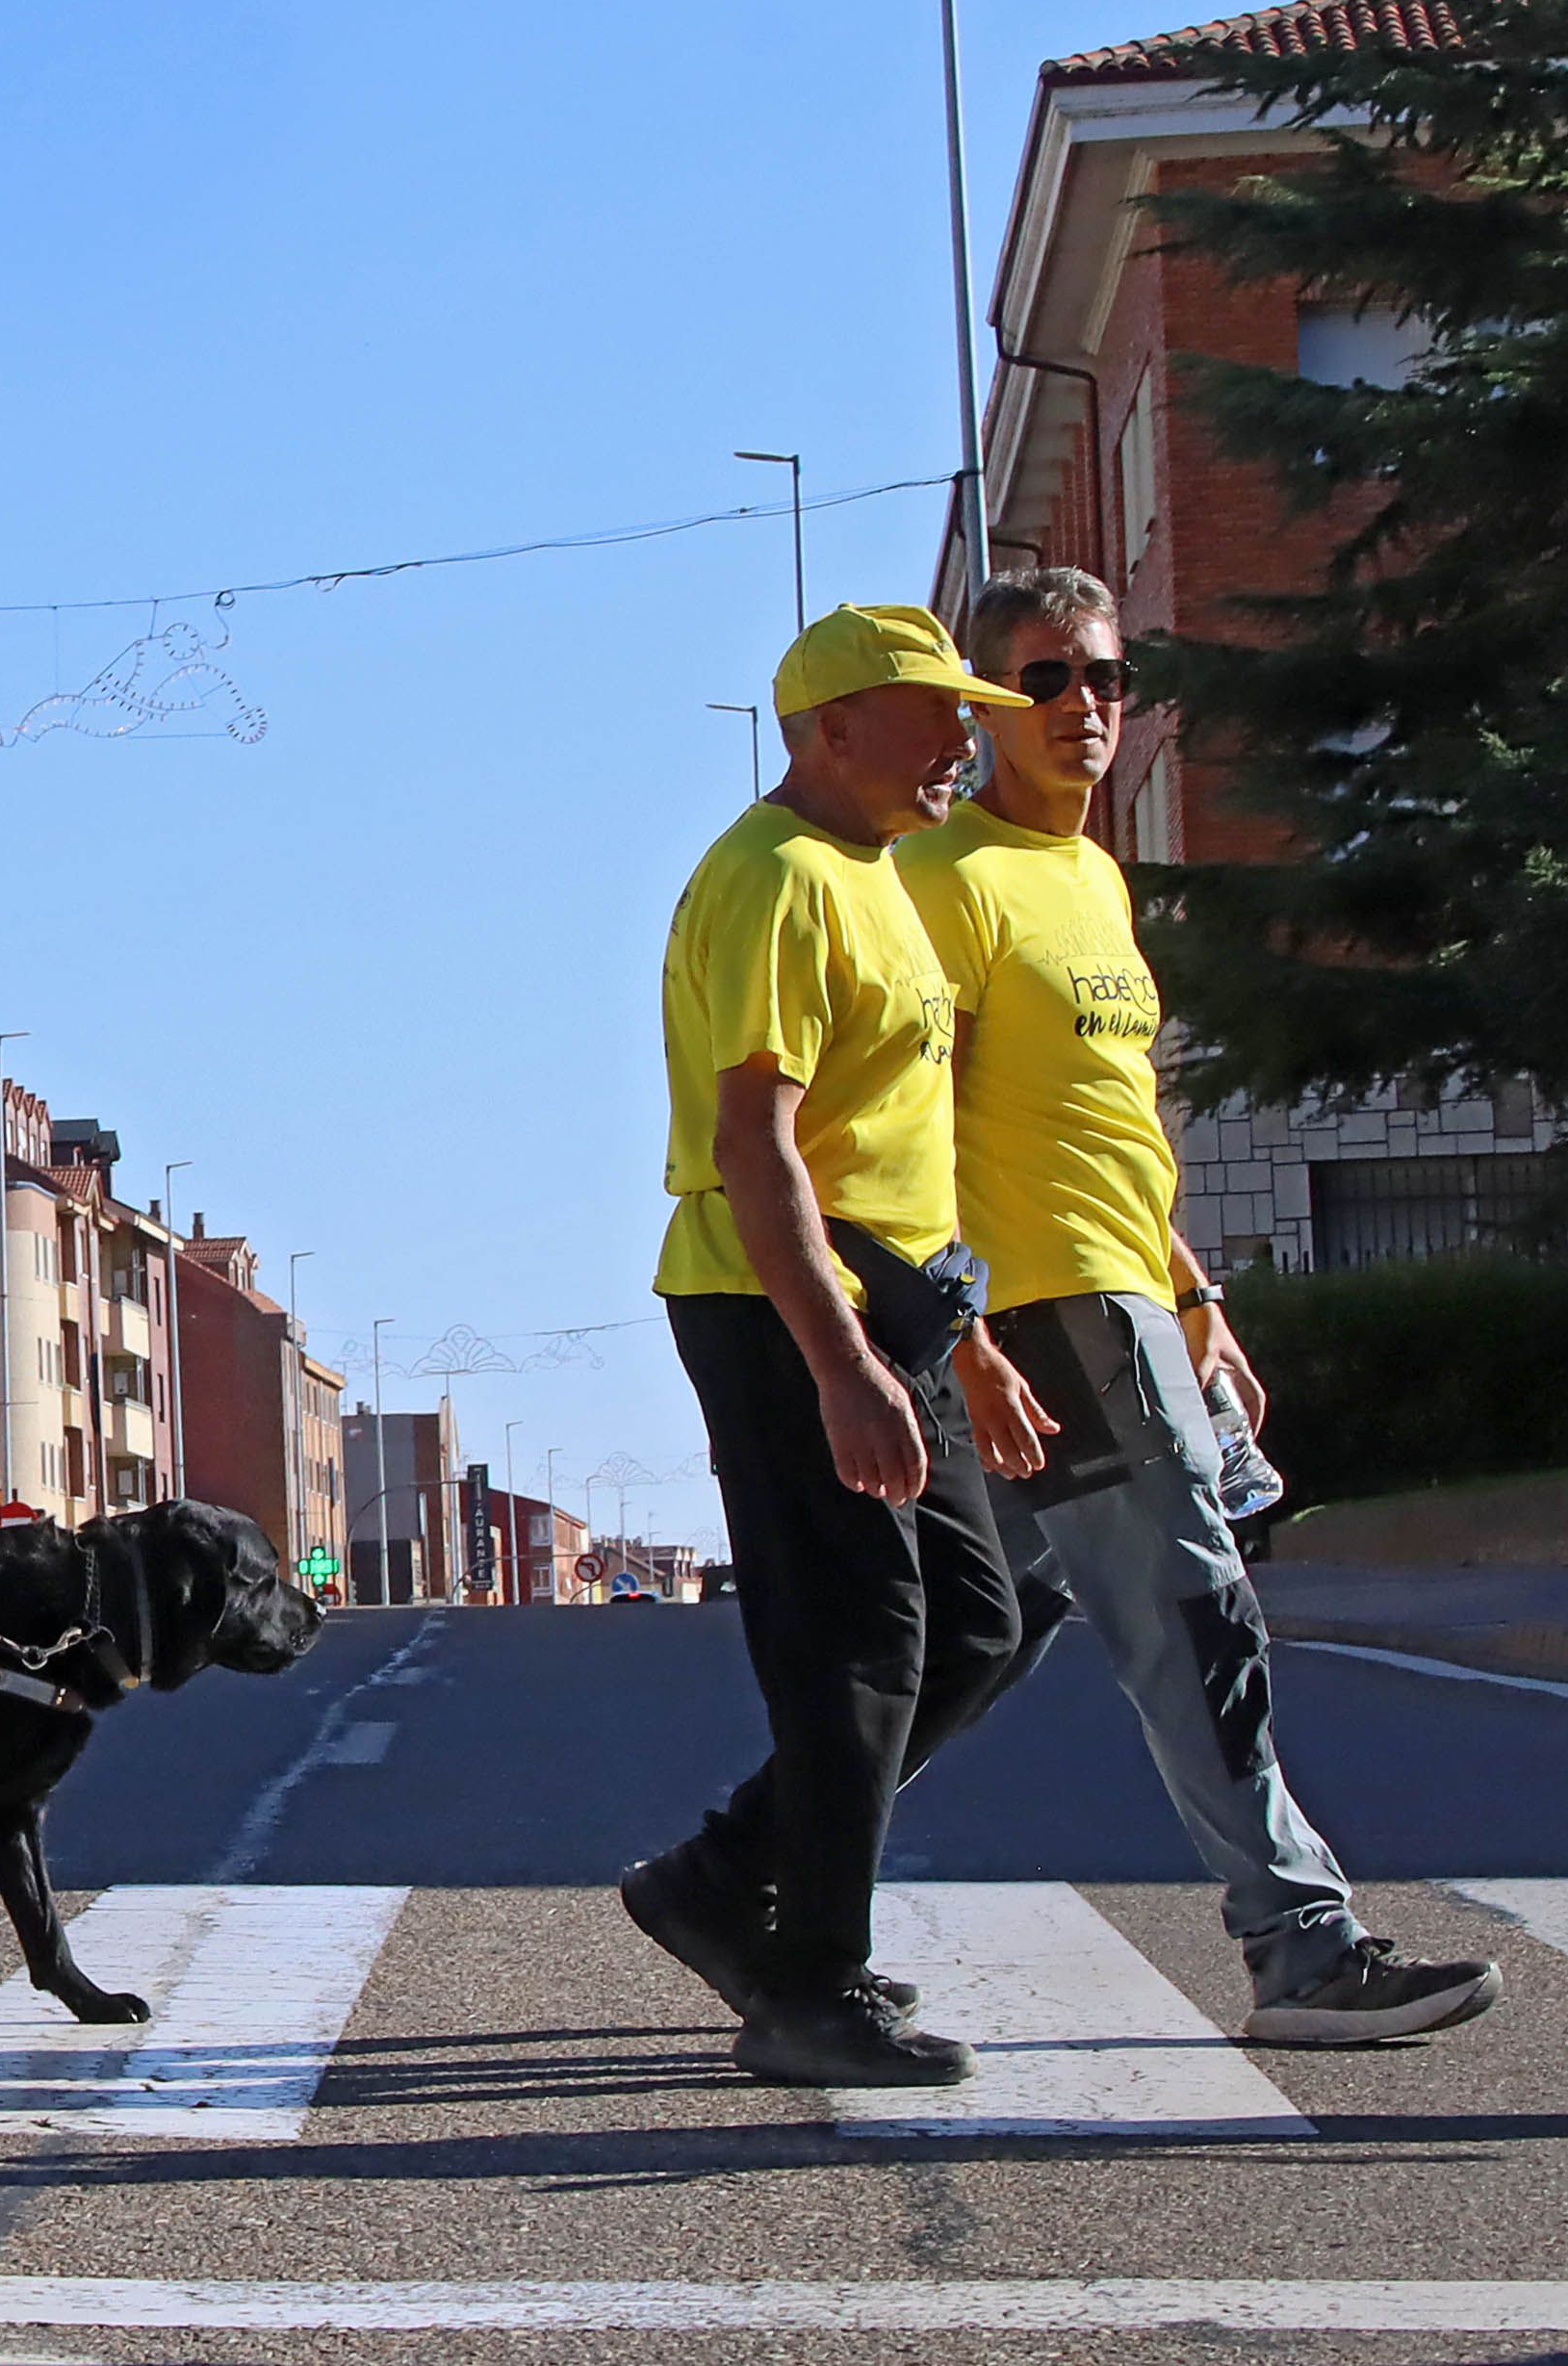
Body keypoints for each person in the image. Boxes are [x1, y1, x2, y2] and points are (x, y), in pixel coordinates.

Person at [897, 567, 1501, 2045]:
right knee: (1196, 1614)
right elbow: (911, 1138)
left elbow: (1107, 1121)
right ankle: (1301, 1947)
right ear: (984, 708)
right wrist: (961, 1333)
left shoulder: (1093, 880)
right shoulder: (949, 882)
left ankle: (750, 1873)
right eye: (1042, 681)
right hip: (1047, 1316)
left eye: (1104, 677)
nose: (1082, 707)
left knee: (982, 1637)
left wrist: (1195, 1286)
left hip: (1126, 1296)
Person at [619, 603, 1032, 2090]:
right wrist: (842, 1363)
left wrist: (956, 1345)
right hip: (783, 1304)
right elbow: (759, 1148)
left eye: (965, 711)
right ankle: (812, 1987)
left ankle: (728, 1877)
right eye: (933, 711)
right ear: (831, 726)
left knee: (981, 1628)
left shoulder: (878, 874)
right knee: (855, 1642)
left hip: (896, 1310)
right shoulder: (773, 879)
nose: (963, 739)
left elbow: (892, 1145)